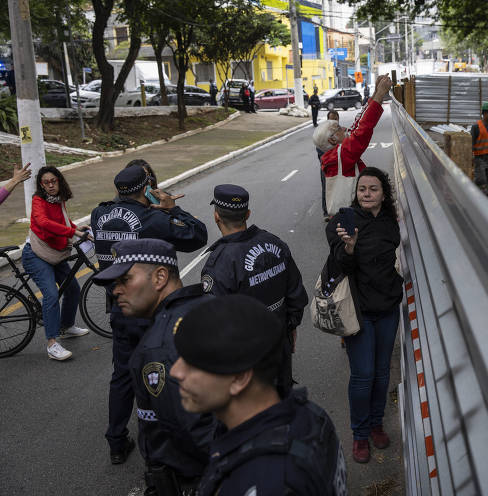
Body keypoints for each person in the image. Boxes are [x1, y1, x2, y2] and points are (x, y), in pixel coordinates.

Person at [170, 295, 347, 496]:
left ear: (238, 378)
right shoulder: (310, 416)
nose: (175, 372)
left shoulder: (267, 483)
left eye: (192, 363)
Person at [91, 163, 207, 465]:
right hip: (150, 310)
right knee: (160, 371)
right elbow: (198, 236)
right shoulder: (153, 218)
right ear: (146, 188)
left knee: (121, 374)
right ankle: (165, 437)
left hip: (118, 305)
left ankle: (116, 441)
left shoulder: (99, 214)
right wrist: (171, 210)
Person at [93, 239, 216, 494]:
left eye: (124, 280)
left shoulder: (158, 348)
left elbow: (196, 433)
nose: (115, 291)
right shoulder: (206, 305)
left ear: (160, 277)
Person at [325, 166, 402, 464]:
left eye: (373, 189)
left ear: (384, 194)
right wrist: (349, 248)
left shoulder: (391, 221)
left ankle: (376, 424)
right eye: (362, 189)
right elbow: (337, 267)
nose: (366, 194)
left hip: (387, 308)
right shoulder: (342, 223)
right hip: (357, 310)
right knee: (363, 375)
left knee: (382, 373)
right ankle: (359, 435)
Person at [200, 184, 308, 396]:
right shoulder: (274, 243)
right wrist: (290, 326)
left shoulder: (220, 263)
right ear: (247, 213)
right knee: (281, 400)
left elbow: (215, 321)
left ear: (216, 216)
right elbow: (295, 291)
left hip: (245, 355)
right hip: (279, 340)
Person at [22, 166, 90, 361]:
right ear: (41, 185)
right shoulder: (38, 200)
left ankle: (66, 326)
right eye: (46, 182)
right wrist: (73, 233)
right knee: (51, 295)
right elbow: (43, 222)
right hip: (36, 254)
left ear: (59, 181)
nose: (51, 185)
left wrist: (77, 227)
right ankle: (52, 344)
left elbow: (63, 220)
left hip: (54, 253)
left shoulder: (59, 200)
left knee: (73, 289)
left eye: (54, 181)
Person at [312, 75, 392, 215]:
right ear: (332, 140)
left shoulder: (337, 153)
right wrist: (379, 95)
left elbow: (358, 123)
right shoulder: (342, 154)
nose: (344, 129)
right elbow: (363, 129)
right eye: (338, 128)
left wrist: (374, 95)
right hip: (354, 218)